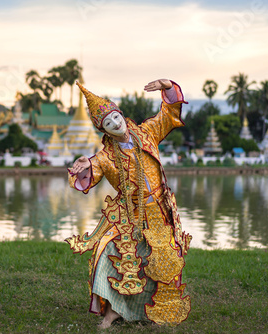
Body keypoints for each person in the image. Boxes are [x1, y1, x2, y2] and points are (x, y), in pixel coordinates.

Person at [66, 79, 192, 328]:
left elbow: (168, 114)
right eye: (108, 124)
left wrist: (167, 87)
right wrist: (85, 163)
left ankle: (153, 309)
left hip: (159, 208)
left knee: (160, 259)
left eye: (115, 117)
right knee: (108, 251)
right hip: (130, 214)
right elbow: (91, 170)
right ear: (104, 130)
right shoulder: (106, 156)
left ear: (120, 114)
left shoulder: (146, 133)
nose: (115, 124)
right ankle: (112, 312)